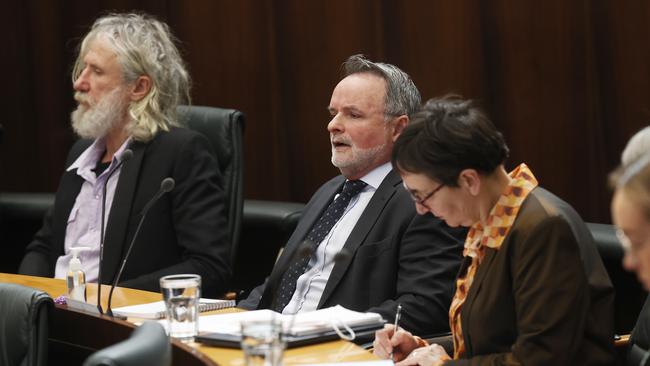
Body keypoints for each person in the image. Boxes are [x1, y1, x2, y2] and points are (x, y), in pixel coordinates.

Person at [374, 95, 615, 365]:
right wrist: (420, 347)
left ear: (468, 180)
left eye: (422, 196)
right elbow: (488, 341)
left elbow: (541, 358)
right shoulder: (487, 222)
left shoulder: (544, 230)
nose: (420, 209)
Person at [238, 55, 465, 336]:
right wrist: (234, 319)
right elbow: (280, 283)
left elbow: (425, 307)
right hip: (267, 343)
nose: (333, 125)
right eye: (333, 113)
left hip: (338, 348)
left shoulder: (422, 200)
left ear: (399, 128)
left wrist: (323, 329)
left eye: (353, 115)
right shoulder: (328, 192)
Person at [18, 13, 231, 297]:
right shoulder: (80, 154)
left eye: (96, 71)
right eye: (82, 69)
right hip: (50, 318)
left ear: (139, 88)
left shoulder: (180, 153)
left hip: (117, 324)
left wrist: (106, 299)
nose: (79, 83)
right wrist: (26, 296)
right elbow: (44, 248)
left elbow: (209, 268)